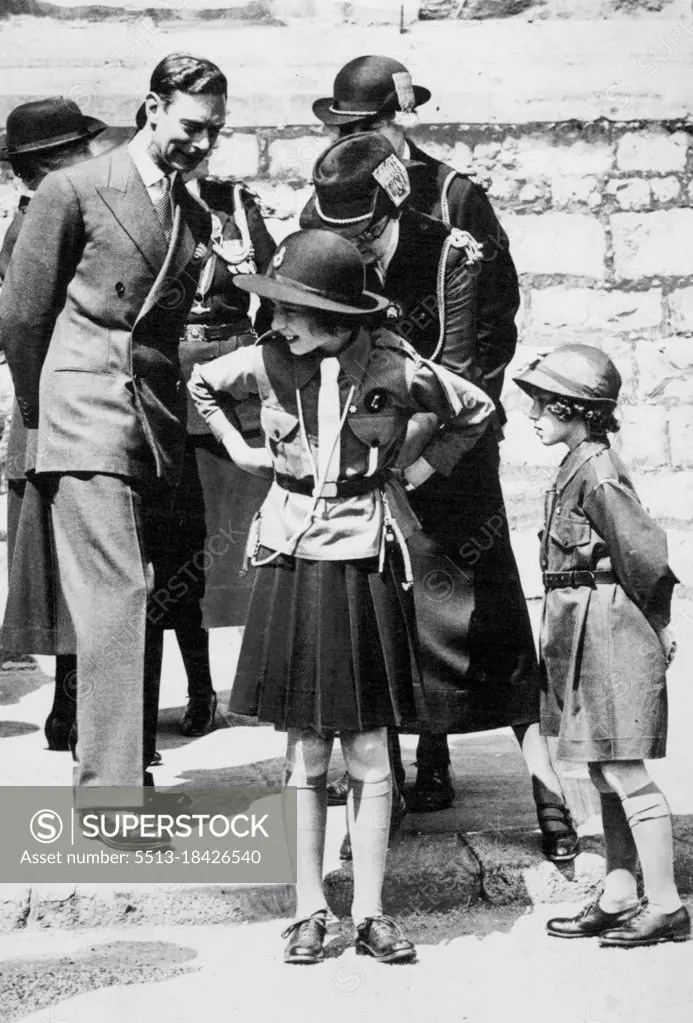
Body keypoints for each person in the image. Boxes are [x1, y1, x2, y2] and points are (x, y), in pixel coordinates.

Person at [188, 229, 494, 964]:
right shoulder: (262, 359)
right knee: (304, 746)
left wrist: (417, 473)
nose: (277, 321)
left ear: (333, 316)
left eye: (292, 310)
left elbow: (474, 408)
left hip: (363, 562)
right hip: (294, 562)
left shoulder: (391, 366)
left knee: (367, 747)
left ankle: (371, 911)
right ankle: (306, 908)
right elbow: (199, 382)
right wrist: (238, 446)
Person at [302, 131, 579, 863]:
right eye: (338, 235)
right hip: (372, 456)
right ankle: (389, 783)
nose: (352, 250)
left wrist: (411, 467)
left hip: (454, 457)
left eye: (363, 235)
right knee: (386, 621)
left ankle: (546, 789)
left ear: (391, 208)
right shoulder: (324, 239)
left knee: (488, 623)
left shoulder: (451, 252)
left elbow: (459, 373)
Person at [0, 53, 226, 838]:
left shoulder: (192, 214)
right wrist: (47, 406)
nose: (203, 143)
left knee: (148, 593)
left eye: (216, 131)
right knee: (118, 598)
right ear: (152, 109)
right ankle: (108, 799)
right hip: (83, 410)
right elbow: (24, 315)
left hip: (151, 422)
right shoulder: (73, 188)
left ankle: (121, 774)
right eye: (193, 126)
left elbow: (163, 331)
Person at [513, 344, 689, 948]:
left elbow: (643, 553)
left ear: (574, 408)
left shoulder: (598, 471)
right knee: (601, 763)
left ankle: (665, 904)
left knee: (622, 766)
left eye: (542, 404)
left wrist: (662, 624)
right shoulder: (578, 463)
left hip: (610, 626)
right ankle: (619, 893)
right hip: (579, 623)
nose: (532, 414)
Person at [130, 103, 277, 738]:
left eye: (210, 139)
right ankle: (165, 695)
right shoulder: (137, 205)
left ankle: (215, 692)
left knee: (230, 554)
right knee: (169, 555)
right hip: (162, 387)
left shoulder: (235, 205)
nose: (201, 150)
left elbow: (271, 292)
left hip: (227, 387)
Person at [0, 97, 107, 751]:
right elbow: (19, 323)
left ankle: (71, 704)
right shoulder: (58, 218)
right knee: (88, 565)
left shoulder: (32, 220)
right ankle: (75, 705)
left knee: (68, 566)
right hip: (68, 413)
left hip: (46, 414)